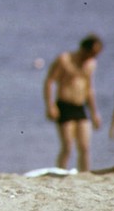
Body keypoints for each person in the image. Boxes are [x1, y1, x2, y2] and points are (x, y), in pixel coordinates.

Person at [43, 34, 103, 172]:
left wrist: (94, 113)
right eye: (93, 53)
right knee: (68, 146)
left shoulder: (91, 64)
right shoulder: (65, 59)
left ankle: (85, 174)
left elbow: (89, 89)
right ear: (85, 49)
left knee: (85, 146)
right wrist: (50, 105)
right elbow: (49, 81)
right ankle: (60, 171)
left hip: (80, 106)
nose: (94, 56)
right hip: (64, 105)